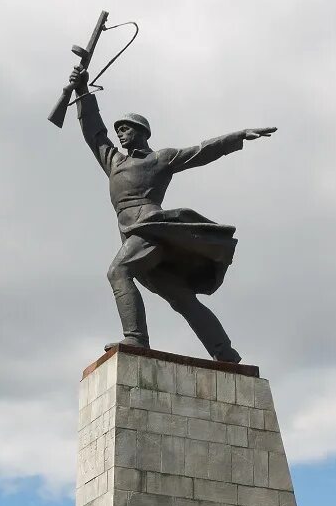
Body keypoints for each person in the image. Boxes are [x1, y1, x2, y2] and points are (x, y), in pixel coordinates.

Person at [69, 67, 276, 363]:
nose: (120, 134)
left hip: (150, 228)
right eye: (118, 131)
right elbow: (94, 132)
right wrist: (82, 92)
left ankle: (136, 338)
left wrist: (237, 137)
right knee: (181, 299)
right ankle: (224, 352)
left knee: (118, 272)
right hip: (131, 233)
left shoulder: (160, 158)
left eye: (125, 129)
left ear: (141, 132)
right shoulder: (113, 161)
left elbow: (201, 152)